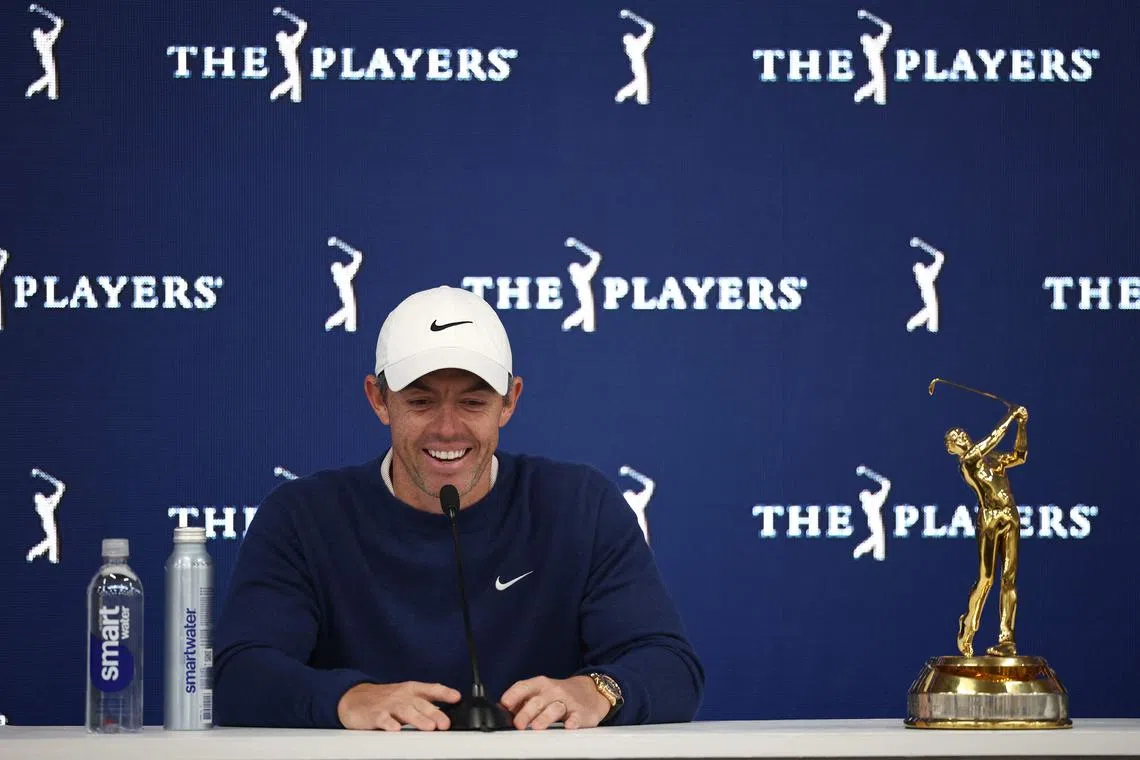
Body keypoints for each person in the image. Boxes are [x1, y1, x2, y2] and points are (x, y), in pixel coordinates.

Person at [213, 284, 704, 731]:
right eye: (421, 402)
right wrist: (345, 697)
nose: (447, 430)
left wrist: (598, 690)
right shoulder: (303, 517)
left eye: (473, 403)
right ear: (379, 400)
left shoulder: (581, 505)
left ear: (509, 402)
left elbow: (668, 666)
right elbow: (241, 674)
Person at [944, 404, 1029, 657]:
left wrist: (1022, 425)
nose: (960, 436)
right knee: (987, 579)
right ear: (953, 449)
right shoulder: (968, 462)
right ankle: (968, 628)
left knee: (1009, 578)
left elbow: (1020, 455)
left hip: (1009, 515)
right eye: (954, 438)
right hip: (990, 518)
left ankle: (1006, 639)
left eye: (960, 433)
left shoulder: (992, 460)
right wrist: (1011, 416)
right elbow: (993, 438)